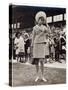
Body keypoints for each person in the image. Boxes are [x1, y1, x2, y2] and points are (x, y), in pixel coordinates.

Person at [32, 11, 50, 82]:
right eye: (40, 20)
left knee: (42, 61)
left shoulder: (45, 27)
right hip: (36, 44)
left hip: (42, 44)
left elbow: (49, 32)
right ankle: (37, 76)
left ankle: (42, 76)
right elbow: (33, 37)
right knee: (36, 62)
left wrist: (47, 24)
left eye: (43, 20)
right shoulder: (34, 28)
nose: (41, 21)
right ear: (37, 20)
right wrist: (32, 45)